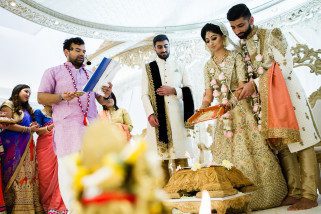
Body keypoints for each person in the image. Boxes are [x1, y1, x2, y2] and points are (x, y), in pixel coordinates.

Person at [227, 3, 320, 210]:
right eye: (233, 28)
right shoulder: (242, 47)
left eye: (241, 25)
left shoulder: (272, 35)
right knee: (281, 144)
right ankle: (294, 192)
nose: (237, 31)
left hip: (288, 97)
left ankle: (308, 194)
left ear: (251, 20)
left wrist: (255, 84)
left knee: (302, 141)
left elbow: (286, 66)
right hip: (265, 101)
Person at [200, 22, 287, 210]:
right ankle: (232, 200)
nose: (211, 43)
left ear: (223, 37)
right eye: (207, 41)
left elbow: (242, 85)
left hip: (240, 108)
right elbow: (207, 94)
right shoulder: (207, 66)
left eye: (214, 38)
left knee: (251, 150)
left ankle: (264, 197)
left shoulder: (236, 56)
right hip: (223, 117)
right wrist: (202, 110)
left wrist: (230, 104)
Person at [37, 37, 113, 212]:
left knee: (94, 174)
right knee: (69, 177)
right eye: (77, 50)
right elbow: (41, 97)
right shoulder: (53, 72)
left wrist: (107, 94)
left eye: (83, 51)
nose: (81, 54)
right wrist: (62, 97)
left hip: (91, 131)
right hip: (67, 133)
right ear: (66, 52)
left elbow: (104, 102)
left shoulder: (91, 73)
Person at [141, 34, 195, 184]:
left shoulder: (180, 65)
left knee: (181, 156)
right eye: (159, 47)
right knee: (161, 160)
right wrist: (150, 114)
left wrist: (174, 90)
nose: (163, 49)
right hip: (158, 118)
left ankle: (185, 190)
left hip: (178, 115)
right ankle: (164, 195)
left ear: (169, 45)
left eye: (166, 46)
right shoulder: (148, 68)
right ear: (154, 48)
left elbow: (190, 89)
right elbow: (144, 94)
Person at [0, 84, 43, 213]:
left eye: (30, 92)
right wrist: (28, 129)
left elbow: (27, 126)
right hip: (12, 147)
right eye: (26, 91)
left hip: (27, 148)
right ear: (17, 91)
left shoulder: (26, 109)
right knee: (14, 176)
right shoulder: (8, 104)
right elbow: (5, 124)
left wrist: (32, 126)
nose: (28, 94)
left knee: (29, 177)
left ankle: (28, 208)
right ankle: (13, 207)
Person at [34, 106, 67, 214]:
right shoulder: (39, 112)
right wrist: (51, 127)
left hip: (58, 145)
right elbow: (37, 131)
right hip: (44, 147)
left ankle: (56, 206)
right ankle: (44, 204)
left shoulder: (59, 112)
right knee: (44, 176)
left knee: (59, 175)